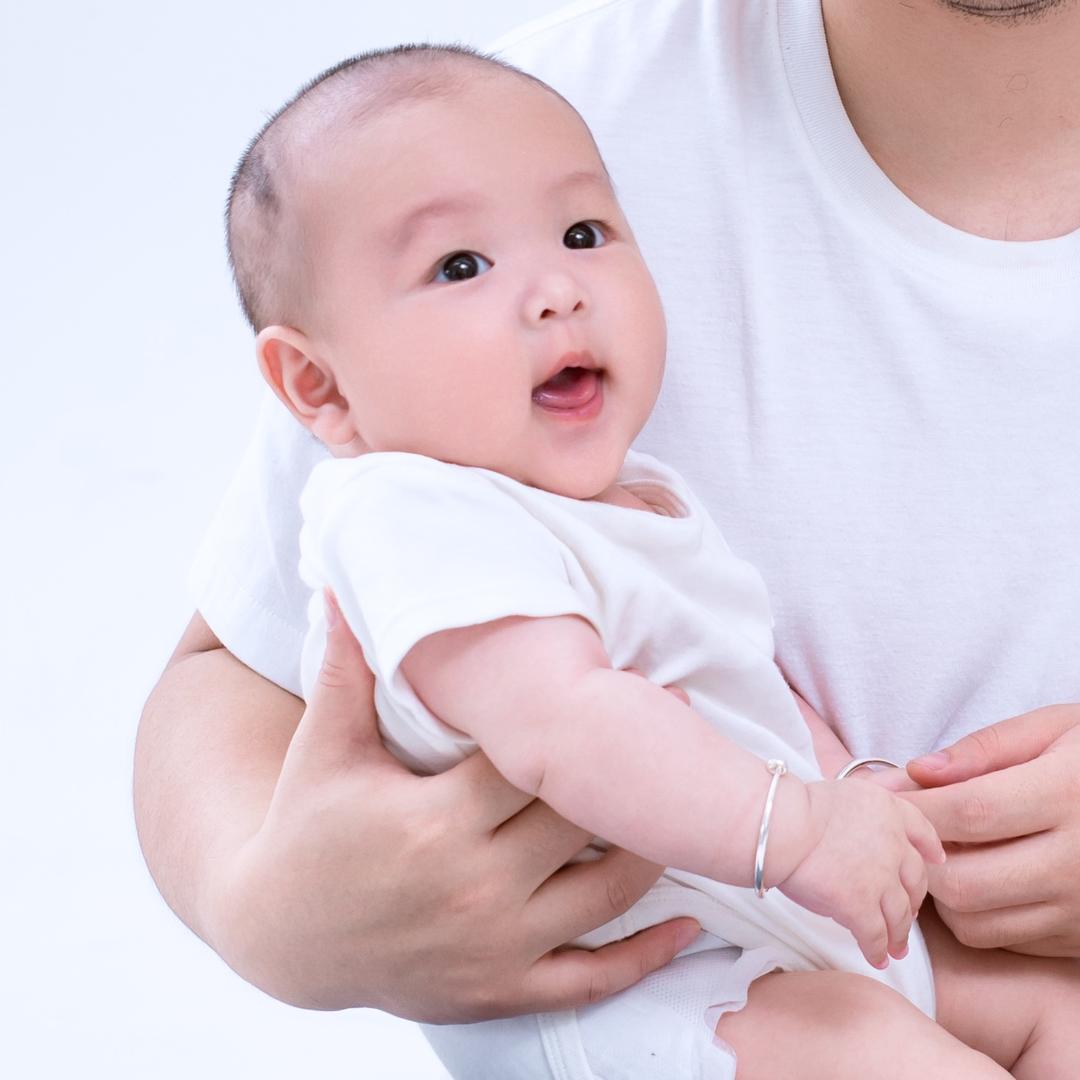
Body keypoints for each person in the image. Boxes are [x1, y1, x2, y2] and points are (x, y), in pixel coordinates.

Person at [133, 0, 1080, 1076]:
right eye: (461, 269)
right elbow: (539, 711)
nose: (554, 292)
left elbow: (736, 679)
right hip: (681, 973)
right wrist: (266, 911)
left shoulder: (637, 495)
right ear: (316, 382)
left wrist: (854, 795)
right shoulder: (488, 139)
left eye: (587, 237)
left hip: (827, 928)